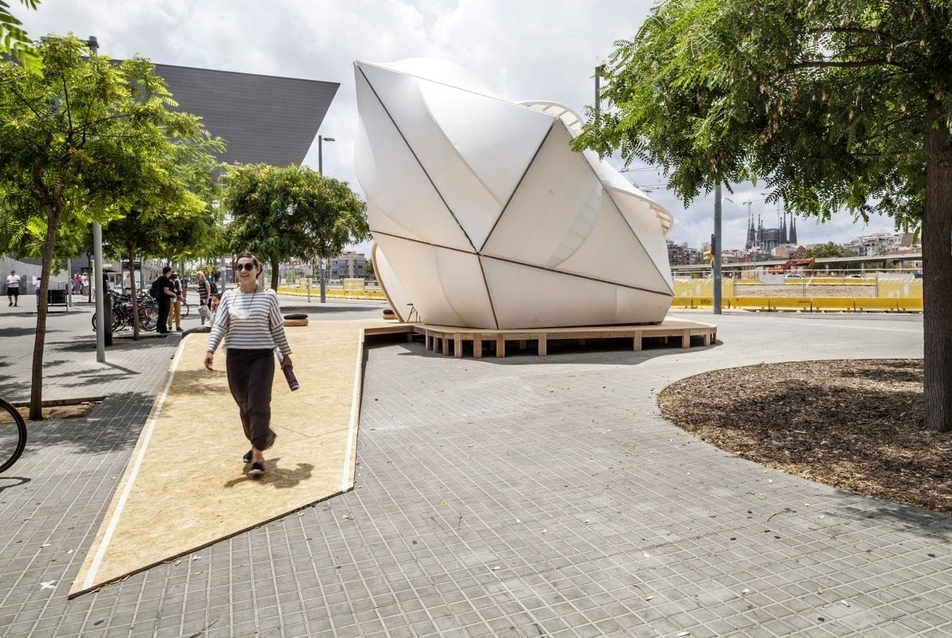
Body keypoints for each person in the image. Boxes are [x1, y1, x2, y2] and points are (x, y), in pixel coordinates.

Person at [204, 252, 293, 476]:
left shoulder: (269, 296)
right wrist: (210, 349)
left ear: (258, 269)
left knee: (258, 403)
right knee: (244, 405)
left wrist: (286, 354)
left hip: (262, 357)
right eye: (239, 267)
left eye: (248, 266)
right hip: (235, 358)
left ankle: (257, 456)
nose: (243, 270)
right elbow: (219, 326)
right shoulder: (227, 297)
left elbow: (277, 328)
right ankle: (262, 438)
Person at [155, 267, 176, 334]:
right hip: (164, 299)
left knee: (161, 313)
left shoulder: (160, 278)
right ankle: (163, 329)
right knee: (164, 314)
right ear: (168, 272)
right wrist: (173, 294)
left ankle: (159, 328)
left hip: (159, 298)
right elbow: (166, 290)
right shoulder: (165, 279)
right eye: (170, 271)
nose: (171, 273)